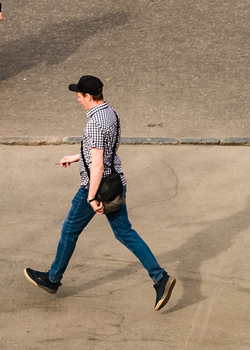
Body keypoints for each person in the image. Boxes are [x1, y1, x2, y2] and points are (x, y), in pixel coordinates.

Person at [25, 76, 175, 311]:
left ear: (88, 96)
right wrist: (75, 157)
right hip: (116, 182)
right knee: (125, 232)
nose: (77, 100)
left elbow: (97, 166)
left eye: (79, 96)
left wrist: (92, 197)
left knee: (69, 230)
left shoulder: (94, 123)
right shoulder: (110, 114)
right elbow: (103, 149)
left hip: (96, 186)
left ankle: (53, 279)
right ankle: (160, 278)